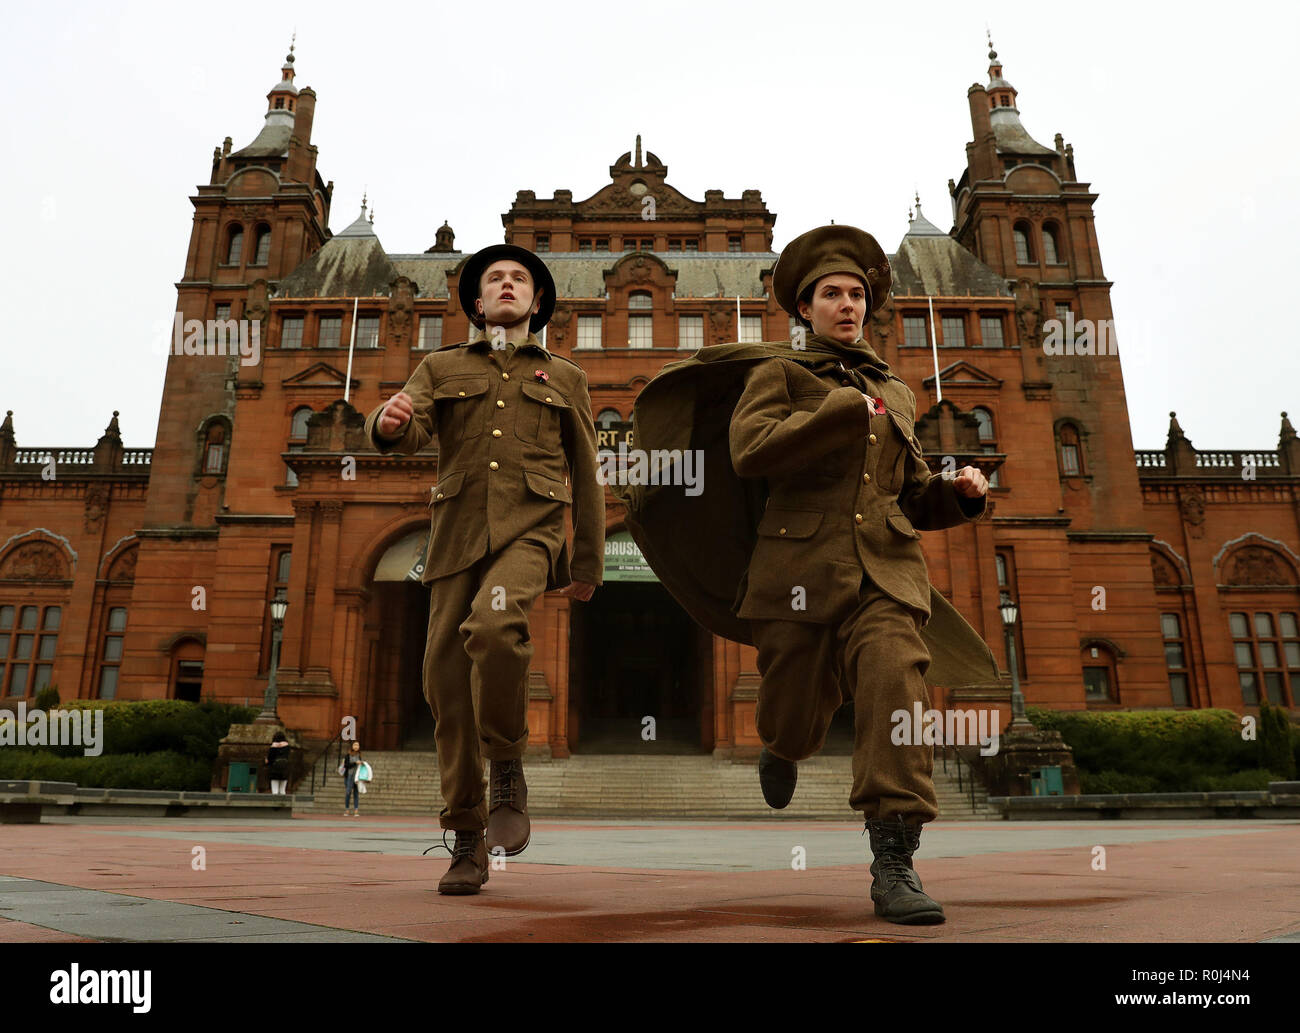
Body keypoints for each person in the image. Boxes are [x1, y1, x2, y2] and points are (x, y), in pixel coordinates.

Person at [613, 225, 996, 926]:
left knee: (895, 683)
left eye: (856, 294)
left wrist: (959, 494)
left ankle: (894, 859)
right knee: (793, 698)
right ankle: (784, 747)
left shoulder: (896, 393)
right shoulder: (779, 374)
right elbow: (752, 452)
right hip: (796, 568)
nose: (846, 304)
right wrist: (836, 413)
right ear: (805, 309)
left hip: (887, 571)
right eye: (831, 294)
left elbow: (908, 491)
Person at [363, 244, 604, 895]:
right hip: (455, 536)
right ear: (476, 302)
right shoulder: (439, 365)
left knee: (496, 628)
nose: (505, 284)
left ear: (537, 303)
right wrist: (386, 423)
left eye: (518, 278)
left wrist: (587, 560)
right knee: (443, 681)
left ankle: (507, 762)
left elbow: (587, 469)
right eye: (494, 278)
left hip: (532, 529)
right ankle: (466, 838)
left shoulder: (567, 377)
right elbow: (404, 428)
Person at [265, 728, 291, 795]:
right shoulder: (287, 746)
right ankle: (283, 804)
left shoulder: (273, 746)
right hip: (285, 769)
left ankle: (275, 804)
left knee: (275, 791)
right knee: (282, 791)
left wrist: (267, 761)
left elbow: (270, 758)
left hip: (275, 770)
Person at [341, 740, 362, 817]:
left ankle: (356, 810)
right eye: (355, 745)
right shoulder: (348, 755)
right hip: (349, 777)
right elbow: (346, 765)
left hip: (356, 777)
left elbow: (359, 766)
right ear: (352, 746)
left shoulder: (359, 755)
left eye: (357, 745)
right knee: (348, 793)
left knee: (356, 793)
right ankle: (347, 810)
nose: (356, 746)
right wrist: (355, 763)